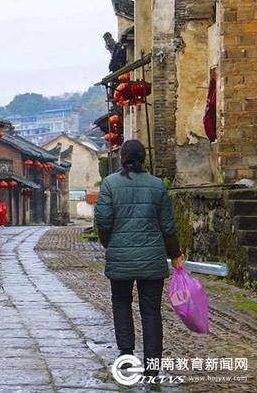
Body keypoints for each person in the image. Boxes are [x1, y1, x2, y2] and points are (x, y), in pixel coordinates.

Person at [95, 139, 185, 377]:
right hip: (152, 258)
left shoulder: (110, 184)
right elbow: (167, 227)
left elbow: (103, 222)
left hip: (120, 256)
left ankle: (126, 355)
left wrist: (110, 243)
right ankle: (153, 364)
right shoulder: (157, 186)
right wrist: (175, 254)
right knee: (151, 310)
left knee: (121, 303)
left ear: (122, 159)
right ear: (144, 159)